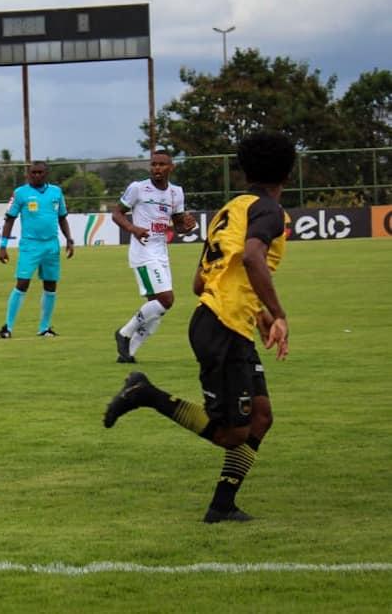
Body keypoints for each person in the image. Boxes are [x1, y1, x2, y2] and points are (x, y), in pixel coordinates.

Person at [103, 131, 295, 523]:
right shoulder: (270, 212)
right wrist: (278, 314)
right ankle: (146, 393)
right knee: (230, 433)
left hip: (225, 323)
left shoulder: (231, 210)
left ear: (243, 171)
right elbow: (254, 259)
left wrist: (257, 314)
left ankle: (222, 504)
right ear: (288, 173)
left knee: (260, 417)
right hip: (222, 329)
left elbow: (200, 282)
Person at [111, 151, 196, 362]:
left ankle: (128, 353)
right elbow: (117, 213)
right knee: (166, 300)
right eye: (154, 164)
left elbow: (177, 225)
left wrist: (187, 227)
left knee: (156, 308)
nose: (157, 168)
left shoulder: (176, 193)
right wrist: (134, 229)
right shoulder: (138, 188)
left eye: (162, 165)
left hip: (161, 252)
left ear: (171, 168)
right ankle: (123, 333)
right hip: (143, 251)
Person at [0, 161, 75, 339]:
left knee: (50, 285)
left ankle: (44, 327)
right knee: (22, 283)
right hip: (30, 245)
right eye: (33, 173)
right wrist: (3, 246)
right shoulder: (20, 193)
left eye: (40, 172)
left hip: (51, 245)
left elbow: (62, 218)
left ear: (46, 174)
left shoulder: (56, 192)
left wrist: (69, 239)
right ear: (28, 174)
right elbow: (9, 219)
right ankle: (7, 327)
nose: (36, 175)